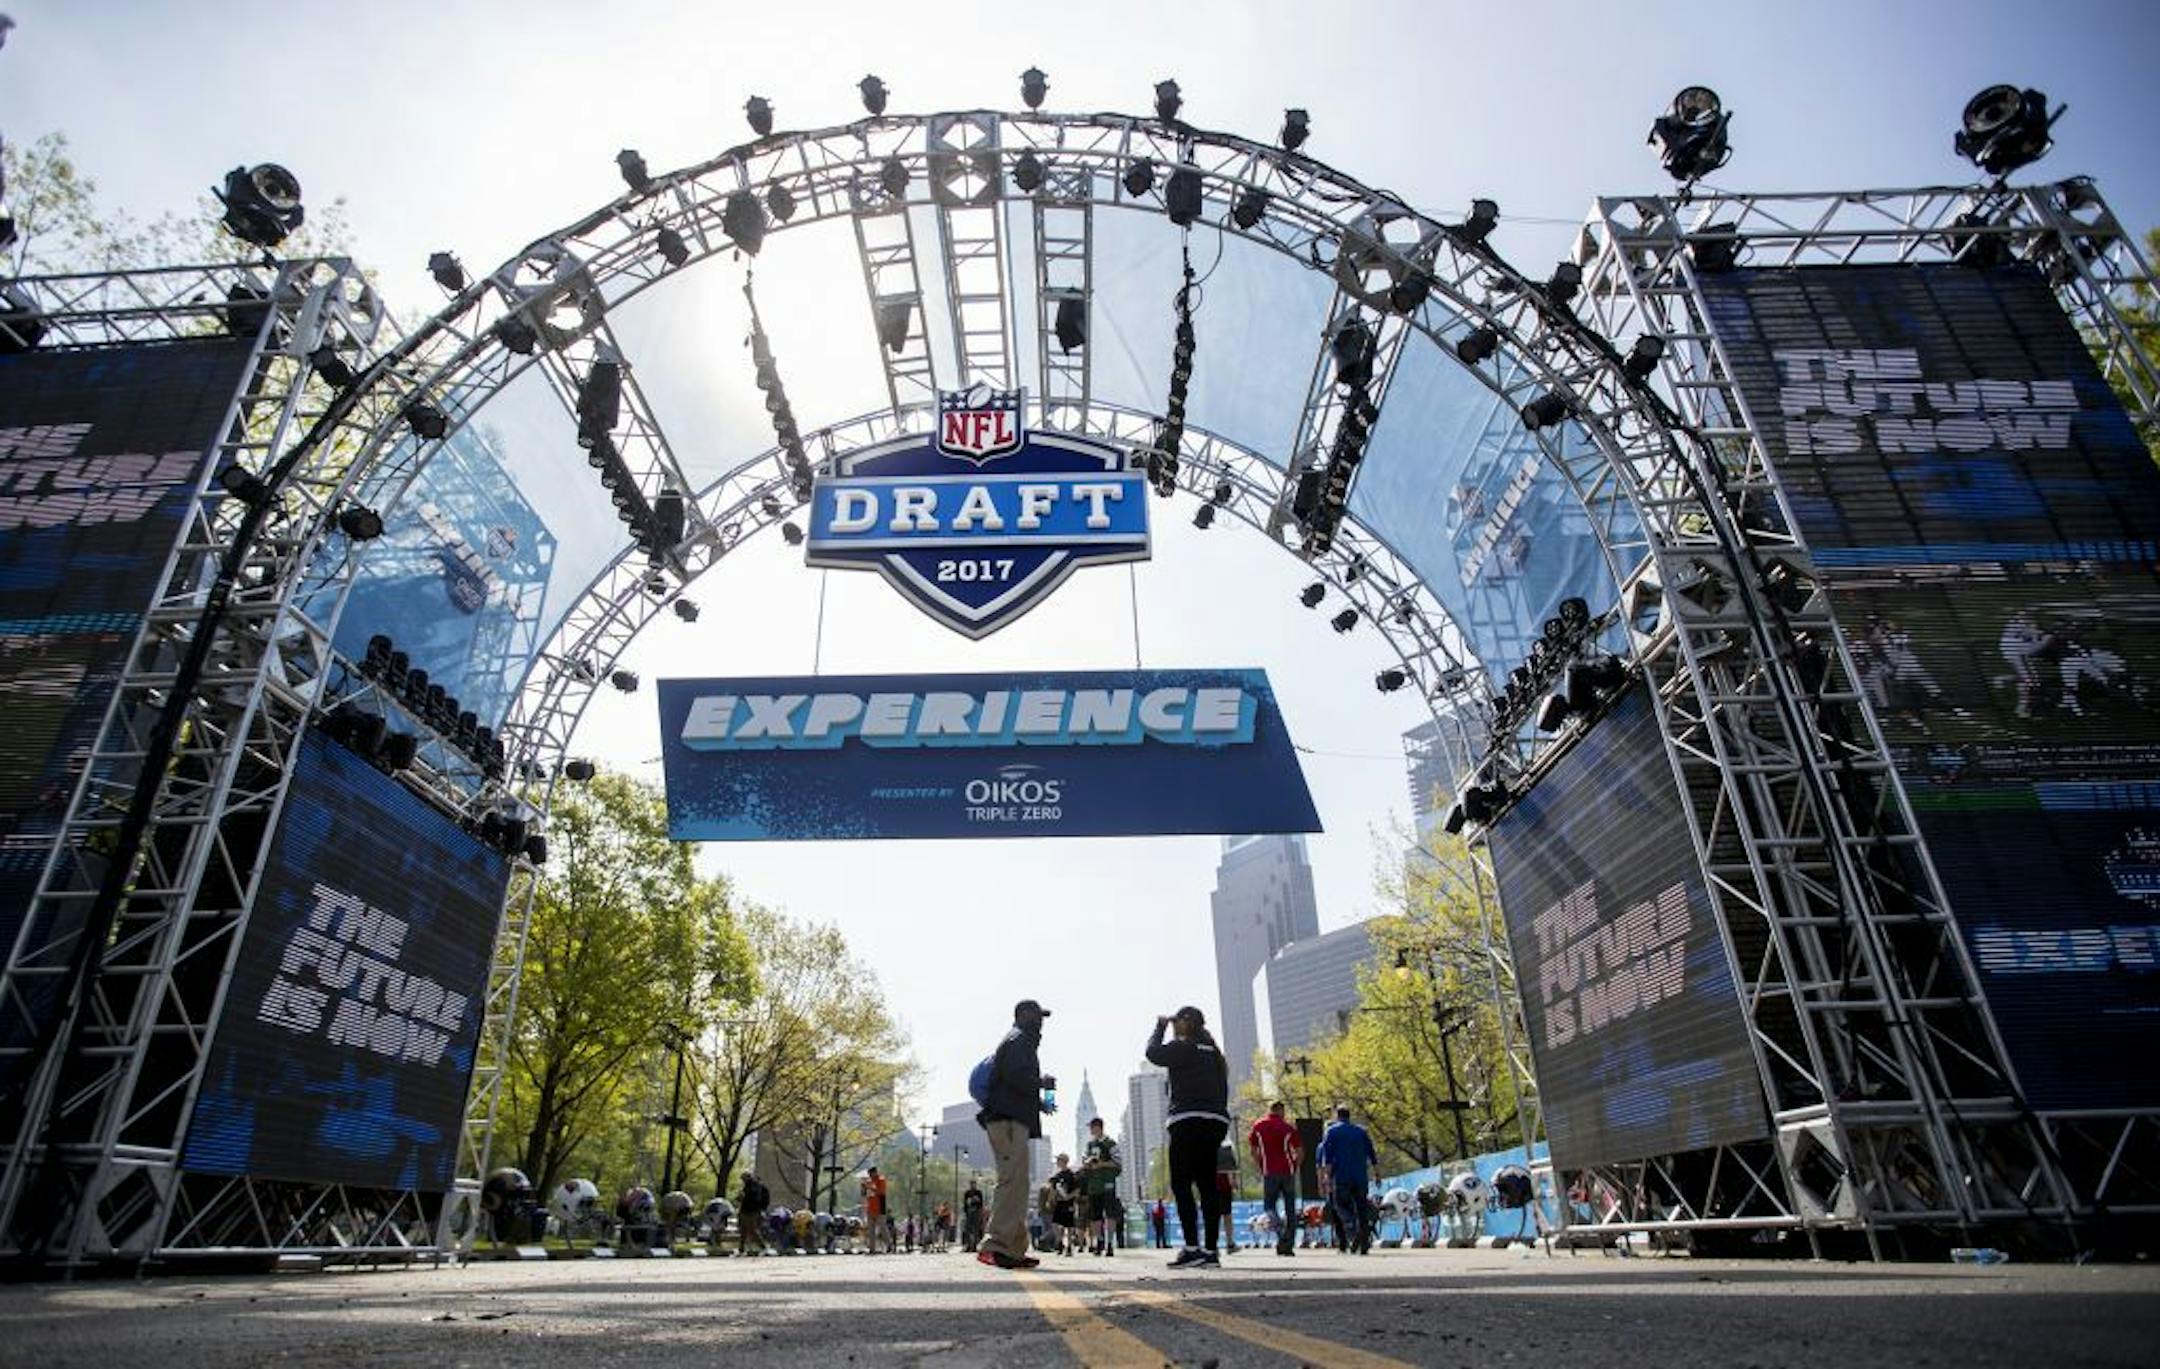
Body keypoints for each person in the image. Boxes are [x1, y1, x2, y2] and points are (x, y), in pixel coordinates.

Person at [1145, 1005, 1231, 1269]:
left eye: (1176, 1022)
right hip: (1215, 1120)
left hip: (1187, 1119)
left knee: (1182, 1184)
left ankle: (1192, 1248)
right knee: (1207, 1185)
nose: (1174, 1026)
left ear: (1186, 1023)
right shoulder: (1215, 1053)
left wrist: (1159, 1027)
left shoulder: (1184, 1046)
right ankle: (1211, 1251)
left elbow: (1152, 1053)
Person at [976, 999, 1056, 1271]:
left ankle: (1014, 1249)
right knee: (1011, 1182)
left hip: (1013, 1120)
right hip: (1006, 1122)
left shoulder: (1021, 1041)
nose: (1041, 1021)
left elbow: (1015, 1082)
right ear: (1023, 1015)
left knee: (1019, 1185)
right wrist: (1041, 1083)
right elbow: (1015, 1078)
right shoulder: (1017, 1039)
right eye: (1037, 1015)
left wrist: (1039, 1101)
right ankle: (994, 1246)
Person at [1316, 1104, 1378, 1255]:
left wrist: (1326, 1178)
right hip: (1360, 1176)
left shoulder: (1331, 1132)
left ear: (1338, 1116)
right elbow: (1372, 1153)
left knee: (1339, 1205)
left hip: (1341, 1176)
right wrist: (1377, 1174)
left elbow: (1328, 1157)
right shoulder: (1361, 1131)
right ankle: (1364, 1242)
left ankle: (1353, 1228)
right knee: (1362, 1208)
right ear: (1349, 1115)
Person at [1248, 1099, 1302, 1257]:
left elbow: (1253, 1150)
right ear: (1281, 1111)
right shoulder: (1288, 1128)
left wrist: (1260, 1166)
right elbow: (1299, 1151)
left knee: (1269, 1207)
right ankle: (1288, 1244)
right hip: (1287, 1171)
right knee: (1290, 1208)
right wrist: (1294, 1167)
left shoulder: (1258, 1126)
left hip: (1269, 1172)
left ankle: (1280, 1232)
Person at [1080, 1117, 1123, 1256]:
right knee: (1095, 1216)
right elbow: (1084, 1162)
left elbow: (1118, 1163)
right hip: (1094, 1185)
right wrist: (1087, 1164)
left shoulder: (1110, 1143)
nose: (1091, 1130)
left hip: (1107, 1183)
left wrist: (1101, 1164)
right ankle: (1100, 1242)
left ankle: (1110, 1244)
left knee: (1110, 1214)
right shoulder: (1089, 1145)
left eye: (1092, 1127)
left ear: (1098, 1127)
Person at [736, 1171, 770, 1256]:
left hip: (752, 1211)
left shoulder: (755, 1186)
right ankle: (741, 1249)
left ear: (748, 1177)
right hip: (745, 1210)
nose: (743, 1181)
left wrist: (744, 1196)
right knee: (743, 1230)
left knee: (752, 1230)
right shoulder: (747, 1186)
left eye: (744, 1178)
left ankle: (763, 1247)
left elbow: (754, 1198)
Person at [862, 1167, 889, 1254]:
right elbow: (864, 1194)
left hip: (880, 1208)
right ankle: (872, 1248)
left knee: (882, 1228)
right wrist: (864, 1187)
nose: (870, 1175)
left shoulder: (881, 1180)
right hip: (870, 1208)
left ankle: (889, 1245)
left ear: (875, 1172)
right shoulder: (869, 1181)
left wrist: (871, 1187)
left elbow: (881, 1192)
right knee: (871, 1230)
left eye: (871, 1173)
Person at [961, 1180, 986, 1250]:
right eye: (971, 1184)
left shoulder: (978, 1193)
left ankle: (974, 1245)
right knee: (968, 1229)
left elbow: (981, 1204)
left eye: (974, 1184)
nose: (973, 1186)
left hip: (976, 1212)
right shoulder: (967, 1193)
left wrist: (980, 1212)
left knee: (976, 1229)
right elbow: (965, 1203)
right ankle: (968, 1245)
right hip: (969, 1212)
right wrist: (966, 1212)